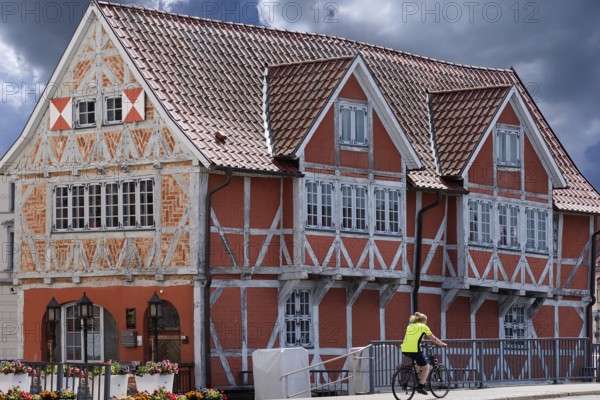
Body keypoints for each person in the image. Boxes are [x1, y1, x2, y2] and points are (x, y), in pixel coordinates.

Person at [400, 312, 447, 395]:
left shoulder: (410, 326)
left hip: (404, 349)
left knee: (418, 363)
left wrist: (420, 343)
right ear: (423, 321)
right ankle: (420, 386)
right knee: (426, 367)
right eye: (426, 321)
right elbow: (433, 339)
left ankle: (413, 379)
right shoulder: (423, 327)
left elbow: (412, 338)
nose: (426, 322)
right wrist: (442, 344)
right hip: (415, 350)